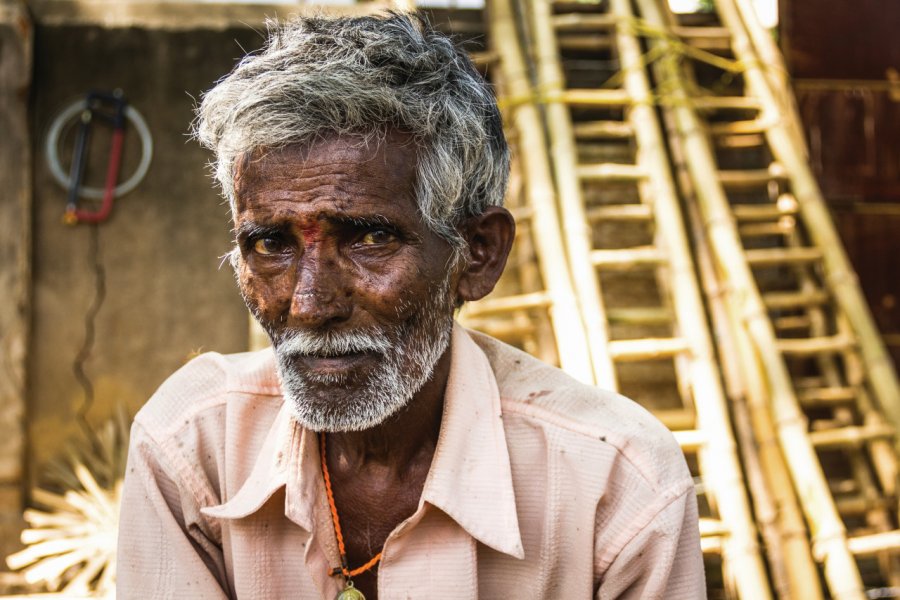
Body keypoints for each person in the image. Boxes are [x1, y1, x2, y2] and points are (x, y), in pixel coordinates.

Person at [117, 12, 704, 600]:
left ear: (476, 255)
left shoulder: (615, 486)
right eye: (271, 244)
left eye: (370, 239)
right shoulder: (191, 450)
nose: (310, 304)